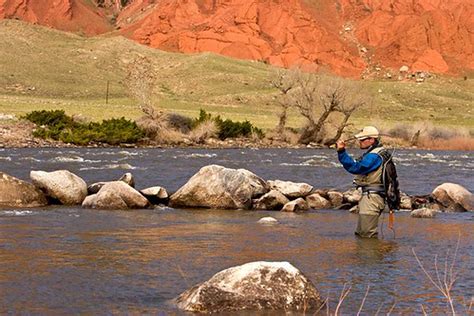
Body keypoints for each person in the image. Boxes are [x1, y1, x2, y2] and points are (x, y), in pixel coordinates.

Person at [336, 126, 388, 238]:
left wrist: (341, 151)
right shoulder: (377, 152)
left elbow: (357, 168)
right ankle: (365, 254)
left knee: (366, 234)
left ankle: (371, 254)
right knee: (362, 234)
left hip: (372, 199)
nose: (360, 141)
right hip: (373, 196)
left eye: (363, 139)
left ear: (371, 140)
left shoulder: (374, 156)